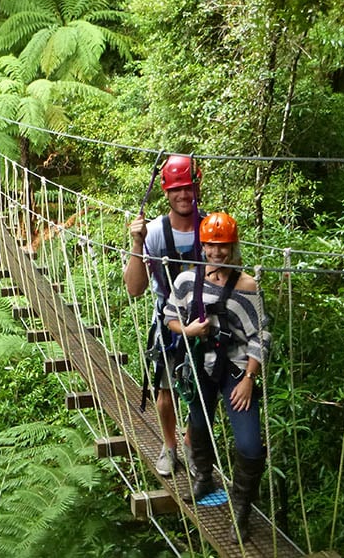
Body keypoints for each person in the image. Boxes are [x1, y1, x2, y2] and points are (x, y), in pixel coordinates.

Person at [163, 211, 270, 542]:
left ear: (233, 247)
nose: (217, 253)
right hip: (200, 364)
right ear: (203, 245)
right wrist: (190, 330)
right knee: (198, 423)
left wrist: (249, 378)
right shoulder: (186, 281)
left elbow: (261, 334)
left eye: (223, 246)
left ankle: (241, 510)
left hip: (236, 370)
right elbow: (170, 317)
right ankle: (204, 477)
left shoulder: (246, 285)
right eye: (211, 246)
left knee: (251, 446)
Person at [123, 154, 200, 477]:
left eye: (189, 187)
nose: (184, 195)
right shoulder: (153, 232)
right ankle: (169, 446)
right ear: (166, 192)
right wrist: (136, 244)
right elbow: (135, 289)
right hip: (167, 325)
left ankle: (190, 444)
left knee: (201, 394)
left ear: (197, 188)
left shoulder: (210, 228)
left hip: (203, 325)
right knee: (166, 391)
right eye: (177, 189)